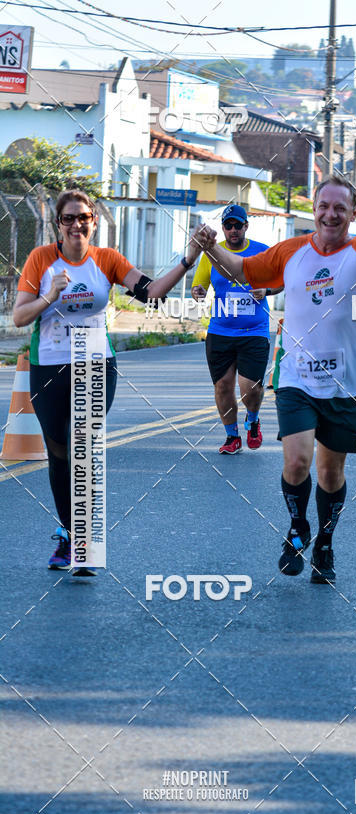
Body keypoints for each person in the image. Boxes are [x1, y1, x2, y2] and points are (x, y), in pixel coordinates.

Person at [194, 173, 356, 583]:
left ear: (353, 213)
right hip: (295, 377)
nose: (330, 214)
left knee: (330, 473)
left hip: (347, 381)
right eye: (324, 206)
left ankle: (324, 542)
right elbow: (241, 270)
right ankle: (296, 527)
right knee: (297, 460)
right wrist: (210, 246)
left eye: (340, 207)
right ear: (314, 210)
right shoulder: (290, 252)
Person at [14, 189, 204, 573]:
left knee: (82, 450)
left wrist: (189, 258)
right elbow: (19, 317)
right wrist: (50, 294)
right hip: (48, 366)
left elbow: (151, 293)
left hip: (96, 364)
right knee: (59, 453)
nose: (76, 224)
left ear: (94, 221)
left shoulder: (107, 260)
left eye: (83, 216)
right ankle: (69, 532)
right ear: (58, 224)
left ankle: (82, 543)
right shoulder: (41, 260)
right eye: (68, 218)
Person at [190, 204, 280, 454]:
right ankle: (232, 437)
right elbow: (199, 286)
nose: (232, 230)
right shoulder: (213, 254)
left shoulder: (261, 252)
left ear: (245, 227)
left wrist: (267, 291)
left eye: (237, 225)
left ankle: (252, 419)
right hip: (220, 332)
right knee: (223, 386)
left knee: (249, 387)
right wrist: (197, 292)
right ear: (223, 229)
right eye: (228, 226)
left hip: (254, 332)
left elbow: (280, 282)